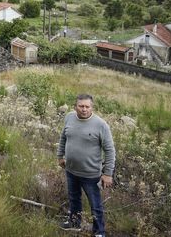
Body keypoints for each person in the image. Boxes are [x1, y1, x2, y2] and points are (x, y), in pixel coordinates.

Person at [57, 94, 115, 237]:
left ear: (92, 107)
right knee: (74, 198)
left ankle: (99, 232)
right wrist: (60, 156)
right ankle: (75, 223)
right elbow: (63, 137)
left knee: (95, 206)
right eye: (81, 106)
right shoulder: (69, 117)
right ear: (75, 106)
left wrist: (107, 174)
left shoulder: (101, 125)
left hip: (91, 175)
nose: (84, 109)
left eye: (87, 106)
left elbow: (110, 150)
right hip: (70, 170)